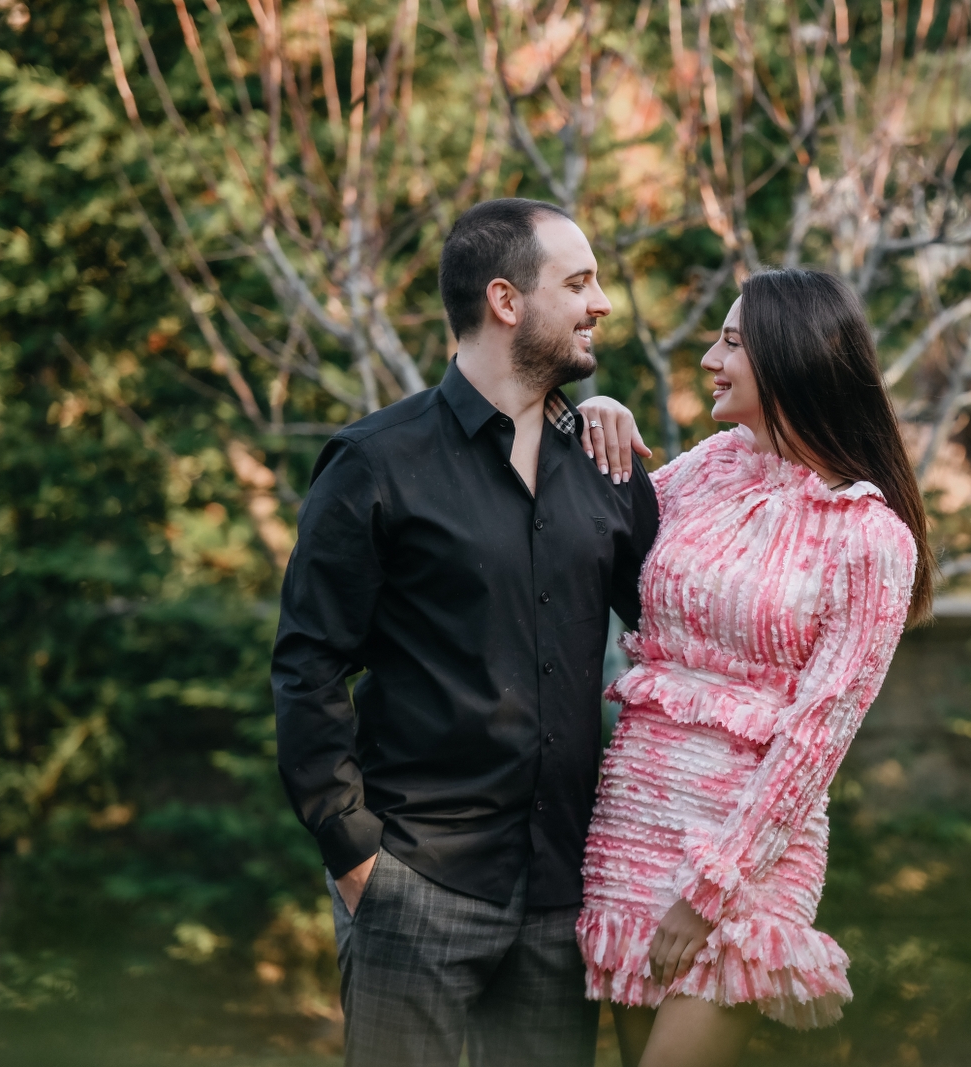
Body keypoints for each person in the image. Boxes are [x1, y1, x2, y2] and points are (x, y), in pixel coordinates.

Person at [271, 197, 657, 1067]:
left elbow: (680, 633)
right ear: (505, 300)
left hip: (564, 895)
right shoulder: (375, 462)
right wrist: (354, 852)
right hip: (416, 881)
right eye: (579, 283)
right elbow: (308, 666)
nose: (601, 303)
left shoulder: (606, 465)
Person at [577, 268, 937, 1067]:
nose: (710, 358)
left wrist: (712, 889)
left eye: (732, 343)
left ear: (790, 358)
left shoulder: (871, 537)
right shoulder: (712, 465)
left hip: (744, 853)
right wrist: (599, 423)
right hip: (635, 819)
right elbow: (598, 523)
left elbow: (819, 736)